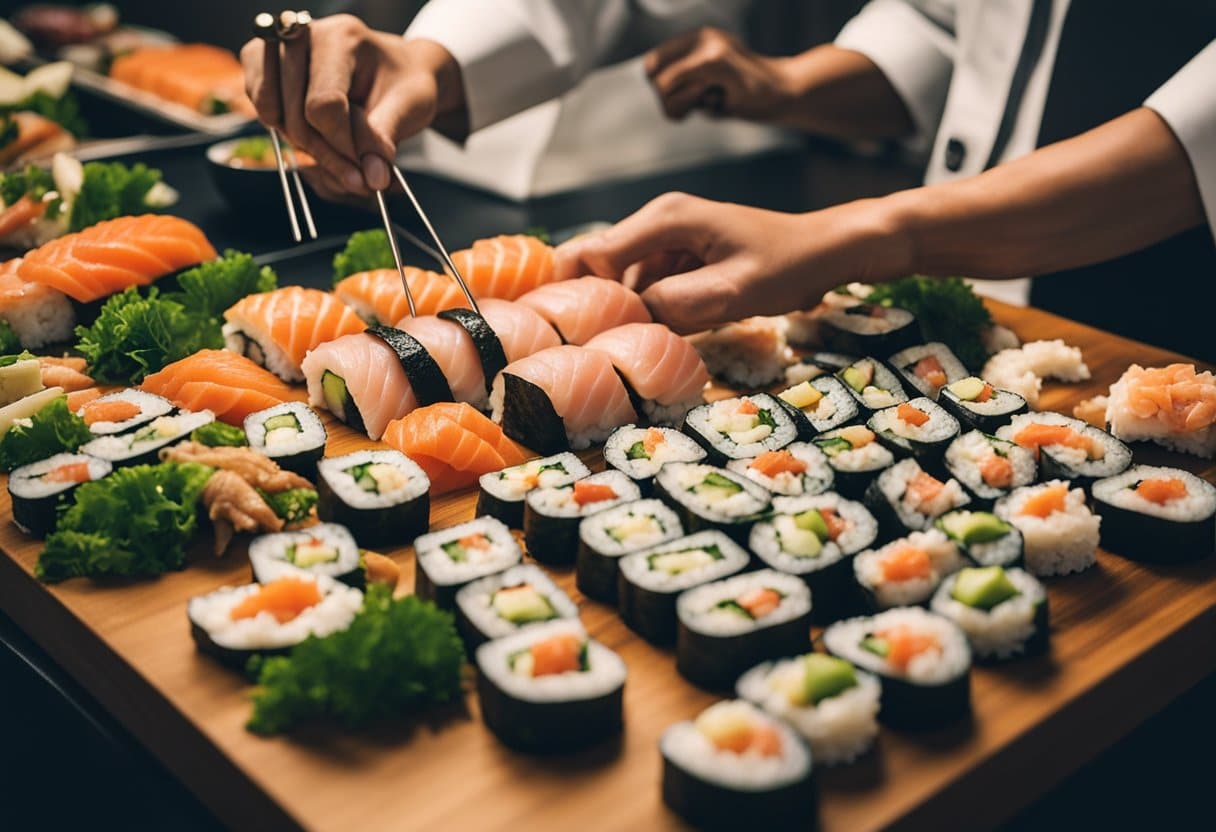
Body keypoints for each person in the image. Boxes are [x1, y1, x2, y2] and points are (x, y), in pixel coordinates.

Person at [558, 2, 1216, 359]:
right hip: (959, 296)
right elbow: (949, 25)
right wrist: (786, 85)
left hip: (1160, 327)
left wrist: (859, 235)